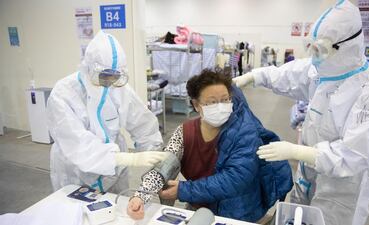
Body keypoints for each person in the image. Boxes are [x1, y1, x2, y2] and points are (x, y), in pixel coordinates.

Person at [233, 1, 369, 225]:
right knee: (299, 216)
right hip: (310, 172)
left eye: (320, 50)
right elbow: (288, 74)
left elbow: (352, 155)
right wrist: (252, 77)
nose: (314, 56)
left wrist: (296, 151)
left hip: (346, 186)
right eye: (312, 47)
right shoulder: (325, 70)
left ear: (346, 46)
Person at [126, 69, 293, 223]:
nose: (221, 106)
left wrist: (184, 191)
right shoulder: (185, 132)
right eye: (212, 102)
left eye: (225, 100)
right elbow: (164, 165)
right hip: (200, 207)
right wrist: (141, 196)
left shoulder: (245, 132)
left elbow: (235, 179)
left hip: (239, 211)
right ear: (197, 105)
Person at [47, 30, 168, 193]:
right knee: (77, 213)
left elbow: (143, 124)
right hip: (76, 171)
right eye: (105, 75)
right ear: (88, 67)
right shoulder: (64, 93)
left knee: (117, 211)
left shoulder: (120, 89)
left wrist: (153, 157)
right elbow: (77, 143)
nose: (110, 81)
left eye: (115, 76)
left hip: (114, 171)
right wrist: (126, 158)